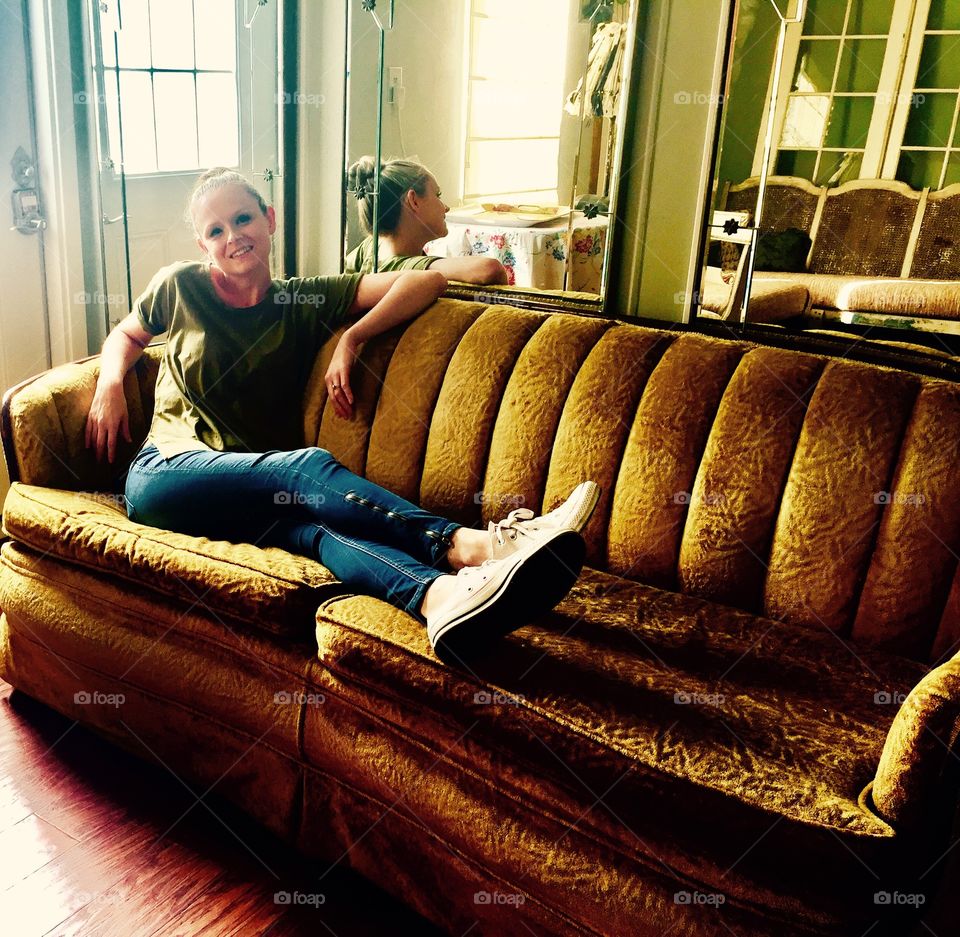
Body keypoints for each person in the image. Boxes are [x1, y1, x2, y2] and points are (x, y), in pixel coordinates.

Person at [85, 167, 598, 662]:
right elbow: (128, 334)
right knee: (301, 465)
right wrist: (110, 383)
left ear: (269, 219)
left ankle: (439, 599)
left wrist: (354, 336)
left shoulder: (302, 299)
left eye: (242, 219)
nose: (233, 237)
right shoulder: (180, 285)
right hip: (168, 475)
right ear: (203, 245)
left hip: (253, 496)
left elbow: (429, 281)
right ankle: (472, 545)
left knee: (319, 534)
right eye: (215, 230)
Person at [344, 156, 508, 286]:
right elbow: (490, 269)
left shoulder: (370, 247)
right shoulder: (407, 268)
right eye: (437, 195)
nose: (446, 207)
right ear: (414, 200)